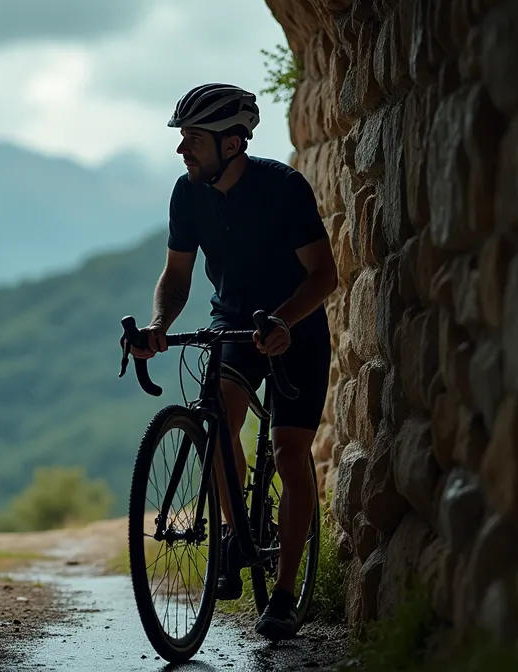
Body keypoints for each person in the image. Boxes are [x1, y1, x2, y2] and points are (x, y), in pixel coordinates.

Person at [128, 83, 338, 641]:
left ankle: (286, 596)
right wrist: (157, 328)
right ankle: (235, 531)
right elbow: (176, 278)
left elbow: (324, 275)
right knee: (218, 416)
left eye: (193, 139)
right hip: (233, 322)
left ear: (231, 142)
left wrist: (285, 321)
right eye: (182, 139)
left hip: (296, 327)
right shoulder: (187, 194)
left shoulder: (283, 188)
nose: (182, 150)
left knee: (289, 451)